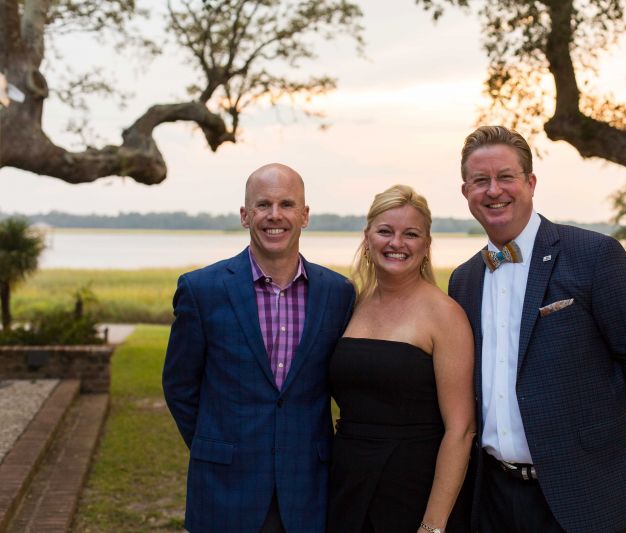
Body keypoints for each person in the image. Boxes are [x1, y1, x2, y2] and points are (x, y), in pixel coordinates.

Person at [448, 126, 626, 533]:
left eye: (506, 177)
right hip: (491, 498)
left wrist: (588, 418)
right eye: (480, 181)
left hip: (580, 491)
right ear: (466, 191)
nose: (493, 190)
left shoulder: (592, 255)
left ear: (530, 182)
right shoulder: (465, 280)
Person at [163, 163, 355, 533]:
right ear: (244, 215)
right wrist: (217, 445)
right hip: (223, 487)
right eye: (263, 204)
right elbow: (179, 387)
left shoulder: (338, 293)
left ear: (305, 215)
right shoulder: (202, 289)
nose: (275, 216)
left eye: (286, 204)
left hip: (308, 488)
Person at [327, 185, 476, 533]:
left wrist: (433, 525)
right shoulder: (353, 303)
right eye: (385, 231)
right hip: (346, 484)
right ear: (367, 238)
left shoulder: (445, 315)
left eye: (411, 234)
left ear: (426, 245)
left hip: (414, 490)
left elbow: (461, 430)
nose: (397, 243)